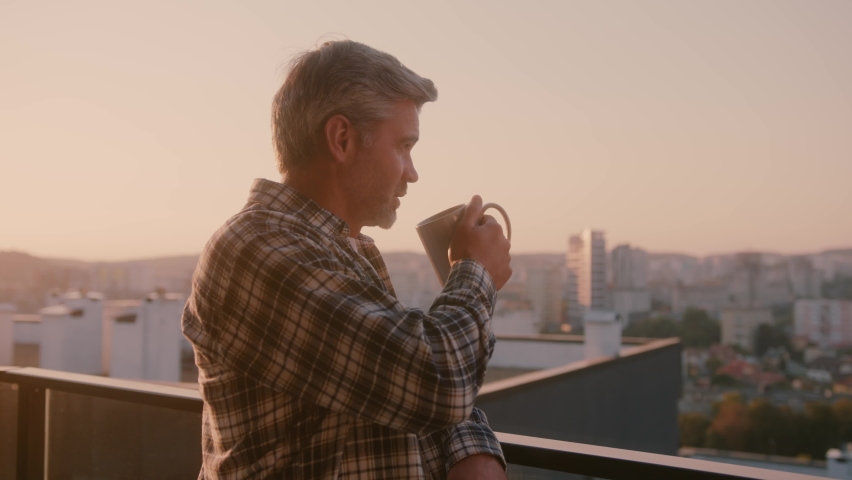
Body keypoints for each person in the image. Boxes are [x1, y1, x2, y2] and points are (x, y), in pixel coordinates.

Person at [182, 39, 512, 479]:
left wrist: (474, 452)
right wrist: (476, 272)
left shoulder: (340, 251)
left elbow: (391, 392)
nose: (412, 172)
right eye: (403, 146)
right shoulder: (256, 251)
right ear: (342, 139)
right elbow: (435, 380)